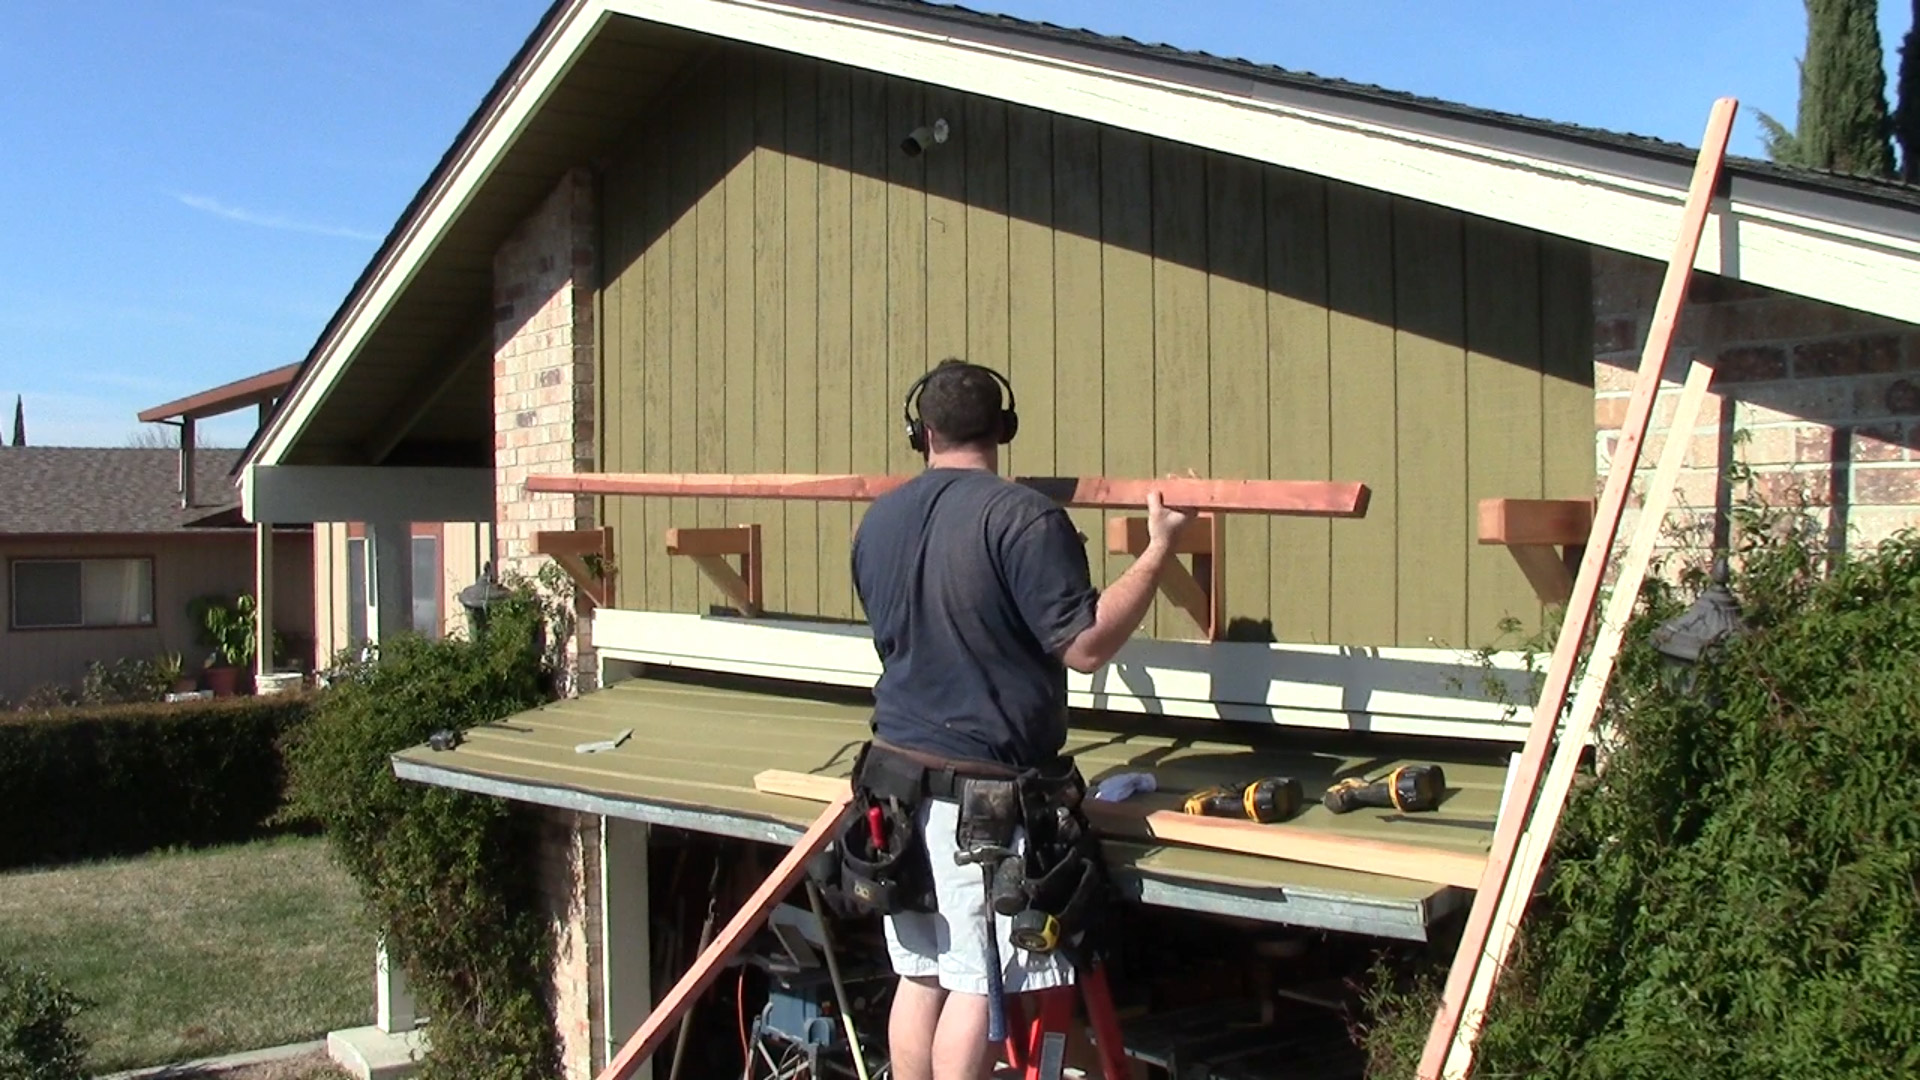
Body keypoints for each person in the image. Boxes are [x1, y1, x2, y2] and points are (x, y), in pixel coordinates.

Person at [848, 358, 1193, 1080]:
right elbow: (1087, 647)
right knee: (979, 982)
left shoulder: (878, 521)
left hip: (894, 784)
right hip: (980, 796)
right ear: (1004, 429)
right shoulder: (1022, 518)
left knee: (921, 973)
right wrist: (1160, 548)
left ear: (924, 433)